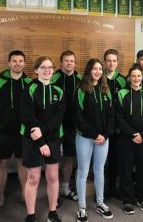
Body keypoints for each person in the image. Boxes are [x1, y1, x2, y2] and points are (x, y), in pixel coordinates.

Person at [0, 50, 32, 215]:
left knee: (22, 164)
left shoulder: (29, 83)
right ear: (9, 63)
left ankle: (26, 196)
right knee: (2, 165)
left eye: (21, 61)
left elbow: (34, 109)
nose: (18, 64)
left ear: (24, 64)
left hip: (22, 133)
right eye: (14, 61)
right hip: (3, 132)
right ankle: (1, 198)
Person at [20, 56, 65, 222]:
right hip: (32, 140)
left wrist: (44, 136)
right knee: (33, 178)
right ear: (36, 70)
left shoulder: (59, 91)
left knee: (53, 177)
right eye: (43, 67)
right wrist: (40, 142)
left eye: (50, 67)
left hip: (52, 139)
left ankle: (52, 212)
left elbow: (57, 119)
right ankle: (30, 215)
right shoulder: (29, 89)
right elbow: (28, 117)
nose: (47, 70)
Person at [74, 59, 114, 222]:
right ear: (89, 70)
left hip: (103, 139)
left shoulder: (106, 89)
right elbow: (78, 117)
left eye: (100, 69)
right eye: (94, 69)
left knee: (99, 171)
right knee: (83, 172)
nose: (97, 72)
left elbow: (111, 115)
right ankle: (82, 207)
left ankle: (100, 203)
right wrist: (94, 134)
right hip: (85, 138)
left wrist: (105, 134)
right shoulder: (82, 89)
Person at [116, 64, 143, 215]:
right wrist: (133, 134)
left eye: (139, 76)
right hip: (126, 139)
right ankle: (127, 199)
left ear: (142, 78)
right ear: (129, 78)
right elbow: (119, 118)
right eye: (133, 76)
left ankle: (141, 197)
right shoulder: (122, 94)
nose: (136, 78)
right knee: (126, 170)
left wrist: (142, 135)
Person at [52, 50, 82, 201]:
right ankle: (54, 192)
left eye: (71, 61)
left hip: (73, 127)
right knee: (55, 160)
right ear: (61, 63)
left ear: (75, 63)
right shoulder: (53, 78)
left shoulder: (80, 79)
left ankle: (65, 188)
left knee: (69, 158)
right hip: (55, 126)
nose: (69, 63)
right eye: (66, 60)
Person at [103, 49, 126, 197]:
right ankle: (103, 188)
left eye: (114, 60)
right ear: (104, 62)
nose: (111, 63)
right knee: (102, 159)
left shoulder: (123, 80)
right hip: (102, 125)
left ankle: (114, 187)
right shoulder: (99, 78)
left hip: (118, 127)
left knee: (116, 157)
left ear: (117, 62)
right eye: (109, 60)